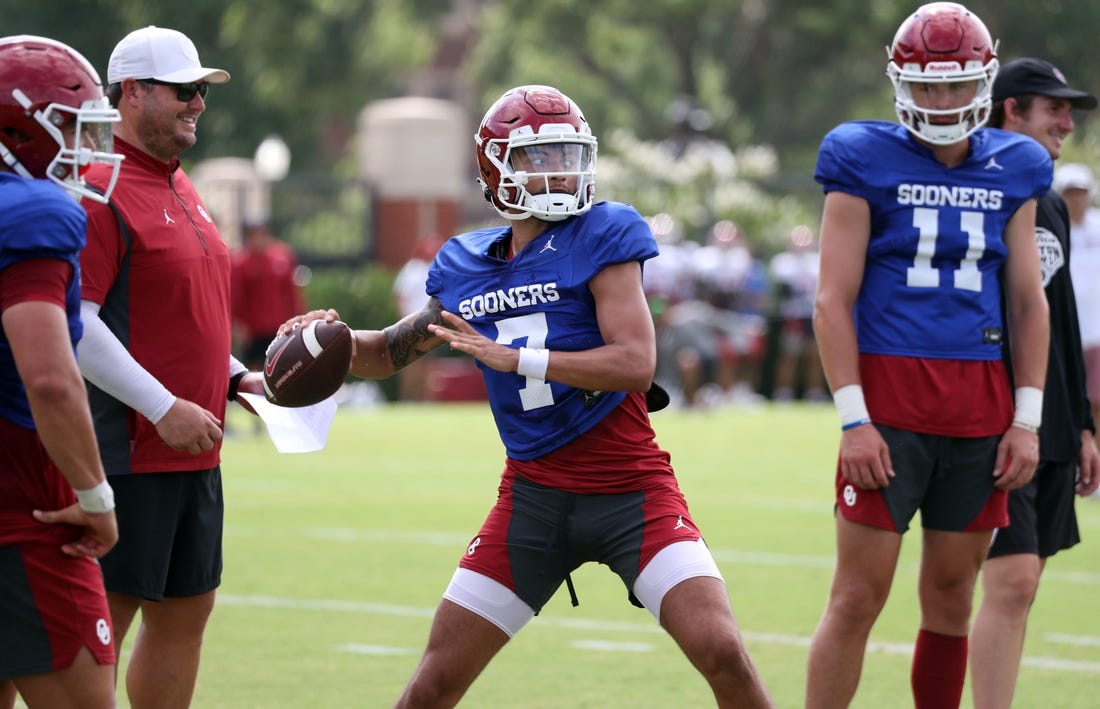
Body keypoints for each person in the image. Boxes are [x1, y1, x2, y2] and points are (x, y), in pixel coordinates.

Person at [283, 84, 774, 708]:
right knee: (432, 684)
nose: (558, 171)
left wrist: (517, 358)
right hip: (533, 504)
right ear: (496, 169)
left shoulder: (604, 233)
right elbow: (386, 352)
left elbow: (635, 361)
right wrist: (326, 341)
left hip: (631, 493)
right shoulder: (465, 265)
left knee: (722, 650)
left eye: (567, 154)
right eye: (538, 158)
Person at [804, 5, 1051, 709]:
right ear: (899, 82)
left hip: (980, 403)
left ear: (983, 82)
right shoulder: (860, 153)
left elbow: (1030, 302)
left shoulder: (1018, 164)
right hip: (889, 399)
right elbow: (832, 299)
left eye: (954, 86)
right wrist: (854, 418)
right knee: (857, 598)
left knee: (951, 597)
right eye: (926, 86)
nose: (939, 102)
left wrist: (1026, 417)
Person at [75, 26, 265, 709]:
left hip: (193, 451)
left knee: (186, 618)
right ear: (131, 94)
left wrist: (237, 376)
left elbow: (185, 313)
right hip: (127, 453)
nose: (197, 105)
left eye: (200, 92)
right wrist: (161, 406)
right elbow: (77, 324)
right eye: (184, 91)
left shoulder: (179, 183)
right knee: (100, 628)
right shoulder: (100, 189)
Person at [969, 57, 1100, 709]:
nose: (1068, 122)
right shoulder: (980, 189)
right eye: (1055, 108)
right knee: (1013, 579)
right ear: (1012, 109)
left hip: (1049, 421)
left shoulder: (1047, 198)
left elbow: (1057, 316)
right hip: (996, 420)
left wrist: (1079, 423)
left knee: (1029, 580)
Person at [0, 34, 123, 709]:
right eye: (70, 126)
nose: (86, 146)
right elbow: (49, 377)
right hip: (27, 505)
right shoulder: (33, 214)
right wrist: (96, 495)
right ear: (19, 128)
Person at [1055, 162, 1100, 427]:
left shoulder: (1098, 224)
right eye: (1070, 192)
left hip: (1097, 330)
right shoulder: (1053, 225)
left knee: (1096, 401)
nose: (1075, 198)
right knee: (1068, 400)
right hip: (1066, 331)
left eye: (1079, 192)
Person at [231, 218, 307, 372]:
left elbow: (292, 293)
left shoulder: (282, 256)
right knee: (255, 371)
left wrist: (299, 318)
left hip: (281, 327)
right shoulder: (240, 262)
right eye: (253, 234)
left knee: (283, 369)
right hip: (254, 331)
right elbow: (236, 296)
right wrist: (238, 325)